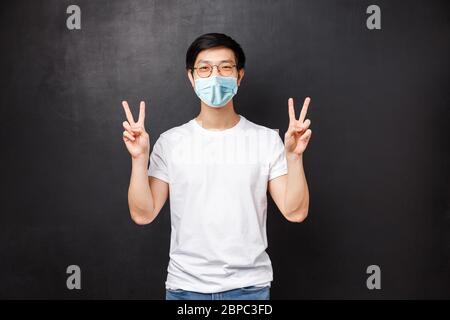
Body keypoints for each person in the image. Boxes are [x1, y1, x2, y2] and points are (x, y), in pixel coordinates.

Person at [121, 33, 312, 300]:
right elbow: (143, 214)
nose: (215, 76)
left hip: (250, 289)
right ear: (191, 77)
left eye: (225, 67)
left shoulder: (266, 140)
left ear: (239, 76)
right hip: (185, 289)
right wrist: (139, 159)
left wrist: (294, 157)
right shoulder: (170, 142)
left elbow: (295, 212)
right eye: (204, 68)